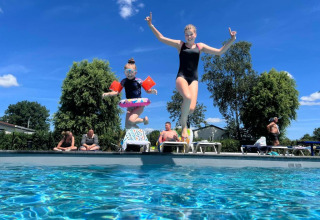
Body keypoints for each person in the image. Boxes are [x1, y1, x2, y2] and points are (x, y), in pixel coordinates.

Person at [145, 12, 237, 142]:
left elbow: (219, 52)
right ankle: (183, 127)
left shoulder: (200, 46)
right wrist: (150, 25)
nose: (189, 36)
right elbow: (161, 38)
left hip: (193, 79)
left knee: (191, 109)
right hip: (181, 77)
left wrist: (232, 40)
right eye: (186, 35)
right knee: (187, 97)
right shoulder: (180, 45)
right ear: (184, 36)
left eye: (191, 34)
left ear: (195, 34)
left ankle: (184, 117)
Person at [103, 58, 157, 129]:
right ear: (124, 73)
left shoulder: (139, 80)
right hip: (130, 105)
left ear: (135, 73)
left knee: (131, 120)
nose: (129, 74)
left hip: (139, 105)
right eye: (127, 72)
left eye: (131, 72)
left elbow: (147, 90)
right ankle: (134, 125)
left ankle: (144, 120)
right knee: (127, 126)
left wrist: (152, 91)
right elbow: (116, 92)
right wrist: (107, 94)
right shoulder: (123, 81)